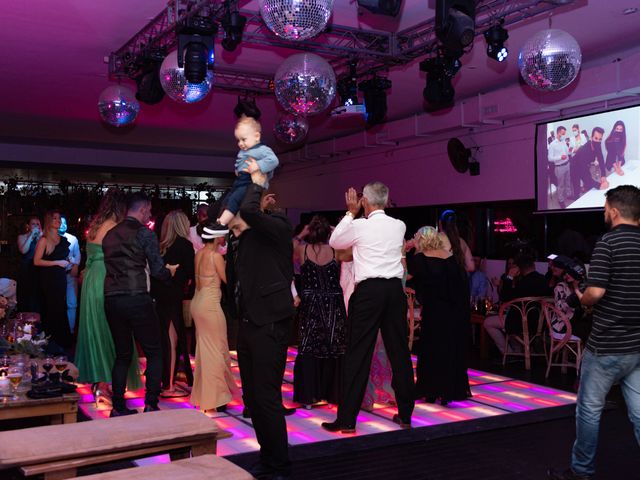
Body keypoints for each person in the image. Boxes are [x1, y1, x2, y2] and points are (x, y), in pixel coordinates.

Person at [548, 185, 640, 480]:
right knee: (639, 414)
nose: (603, 214)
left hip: (606, 345)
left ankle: (582, 471)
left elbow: (596, 293)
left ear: (614, 211)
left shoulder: (608, 243)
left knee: (588, 411)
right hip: (637, 345)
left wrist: (583, 295)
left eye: (604, 210)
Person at [322, 182, 415, 433]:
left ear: (365, 201)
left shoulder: (360, 225)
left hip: (369, 292)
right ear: (386, 200)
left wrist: (350, 213)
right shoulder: (399, 226)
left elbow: (335, 240)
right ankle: (406, 415)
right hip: (394, 292)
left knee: (357, 354)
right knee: (399, 352)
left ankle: (347, 420)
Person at [224, 161, 295, 480]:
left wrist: (256, 181)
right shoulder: (247, 234)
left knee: (267, 397)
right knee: (253, 398)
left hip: (270, 322)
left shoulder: (278, 226)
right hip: (250, 323)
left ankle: (279, 465)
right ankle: (268, 459)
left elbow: (251, 211)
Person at [103, 193, 178, 417]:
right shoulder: (144, 233)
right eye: (150, 210)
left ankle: (117, 407)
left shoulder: (109, 234)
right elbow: (156, 270)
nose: (150, 215)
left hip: (112, 298)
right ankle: (151, 404)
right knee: (155, 352)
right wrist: (170, 274)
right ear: (144, 209)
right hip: (137, 297)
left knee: (122, 354)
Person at [75, 188, 141, 404]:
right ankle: (104, 385)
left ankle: (99, 383)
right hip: (106, 279)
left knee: (96, 331)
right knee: (112, 331)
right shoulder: (115, 227)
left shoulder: (94, 226)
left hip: (91, 280)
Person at [409, 226, 471, 405]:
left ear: (421, 239)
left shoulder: (420, 259)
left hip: (434, 312)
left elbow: (404, 275)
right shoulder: (450, 258)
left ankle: (429, 390)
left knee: (430, 350)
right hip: (452, 311)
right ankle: (446, 391)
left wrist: (405, 251)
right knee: (447, 350)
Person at [293, 215, 346, 409]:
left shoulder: (302, 249)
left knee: (309, 346)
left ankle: (310, 396)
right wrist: (335, 230)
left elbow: (287, 250)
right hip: (333, 302)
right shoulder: (336, 251)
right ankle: (333, 394)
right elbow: (352, 251)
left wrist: (301, 234)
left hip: (311, 302)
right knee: (333, 345)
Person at [189, 223, 237, 412]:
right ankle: (216, 399)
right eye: (223, 236)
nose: (224, 239)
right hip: (209, 306)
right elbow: (228, 281)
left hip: (197, 303)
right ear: (217, 237)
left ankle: (207, 395)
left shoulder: (199, 253)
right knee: (217, 351)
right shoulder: (215, 256)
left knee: (205, 350)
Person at [208, 116, 279, 233]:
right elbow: (240, 161)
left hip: (249, 180)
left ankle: (222, 224)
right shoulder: (244, 150)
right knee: (227, 199)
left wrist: (258, 165)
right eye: (238, 140)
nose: (240, 143)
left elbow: (274, 161)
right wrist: (237, 169)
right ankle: (219, 222)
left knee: (234, 200)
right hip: (240, 179)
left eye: (243, 139)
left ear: (256, 136)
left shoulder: (263, 149)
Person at [152, 210, 195, 396]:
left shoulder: (160, 246)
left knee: (165, 338)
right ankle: (168, 385)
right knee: (172, 340)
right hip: (173, 297)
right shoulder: (184, 245)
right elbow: (192, 273)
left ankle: (166, 381)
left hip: (160, 297)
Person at [483, 252, 550, 356]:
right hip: (540, 323)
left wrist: (509, 276)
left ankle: (508, 353)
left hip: (520, 323)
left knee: (488, 322)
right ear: (533, 265)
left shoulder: (523, 283)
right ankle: (519, 350)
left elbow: (504, 297)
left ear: (519, 268)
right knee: (509, 317)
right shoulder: (544, 280)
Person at [33, 211, 72, 351]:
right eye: (54, 218)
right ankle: (51, 344)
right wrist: (57, 262)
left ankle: (62, 343)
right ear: (49, 221)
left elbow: (63, 259)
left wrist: (68, 262)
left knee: (61, 308)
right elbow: (36, 261)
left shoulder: (63, 240)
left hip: (60, 278)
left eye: (59, 218)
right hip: (48, 280)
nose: (58, 221)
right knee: (50, 310)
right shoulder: (44, 240)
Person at [570, 127, 609, 199]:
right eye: (596, 138)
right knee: (577, 186)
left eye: (600, 139)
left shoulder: (598, 145)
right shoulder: (584, 150)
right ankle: (576, 198)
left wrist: (603, 175)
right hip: (574, 166)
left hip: (584, 165)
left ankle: (586, 190)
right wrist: (599, 186)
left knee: (588, 183)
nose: (598, 141)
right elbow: (584, 175)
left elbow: (601, 159)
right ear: (591, 137)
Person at [59, 215, 80, 334]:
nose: (63, 225)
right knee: (57, 303)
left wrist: (76, 266)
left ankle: (70, 331)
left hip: (70, 274)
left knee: (72, 303)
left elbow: (77, 255)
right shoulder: (50, 238)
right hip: (55, 275)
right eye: (60, 222)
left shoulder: (73, 239)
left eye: (64, 223)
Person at [16, 216, 42, 313]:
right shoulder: (22, 237)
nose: (36, 226)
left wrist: (40, 236)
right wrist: (31, 236)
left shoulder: (42, 238)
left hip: (38, 270)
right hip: (25, 270)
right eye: (33, 224)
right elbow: (23, 250)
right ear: (28, 225)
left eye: (38, 224)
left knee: (36, 298)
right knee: (25, 298)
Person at [548, 125, 571, 208]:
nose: (564, 135)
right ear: (558, 133)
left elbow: (567, 152)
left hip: (567, 164)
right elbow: (550, 158)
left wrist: (570, 150)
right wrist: (560, 157)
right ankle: (560, 200)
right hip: (559, 167)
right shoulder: (552, 145)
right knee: (560, 185)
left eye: (564, 134)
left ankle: (568, 195)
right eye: (562, 133)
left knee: (568, 181)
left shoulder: (563, 141)